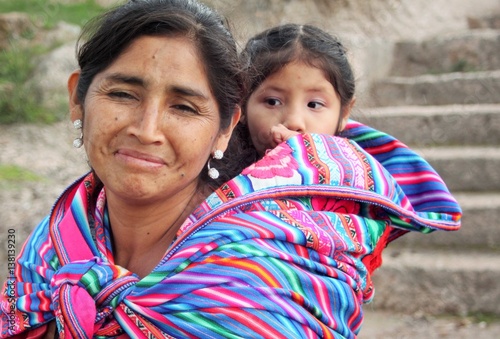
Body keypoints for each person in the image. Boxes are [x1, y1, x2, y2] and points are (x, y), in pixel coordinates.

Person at [0, 5, 461, 338]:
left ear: (226, 129)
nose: (147, 129)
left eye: (184, 106)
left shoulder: (262, 273)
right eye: (123, 94)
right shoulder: (54, 240)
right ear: (78, 98)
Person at [236, 23, 463, 334]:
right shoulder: (216, 170)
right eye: (272, 101)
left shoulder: (355, 185)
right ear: (242, 106)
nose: (294, 120)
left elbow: (356, 262)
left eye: (314, 105)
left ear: (344, 112)